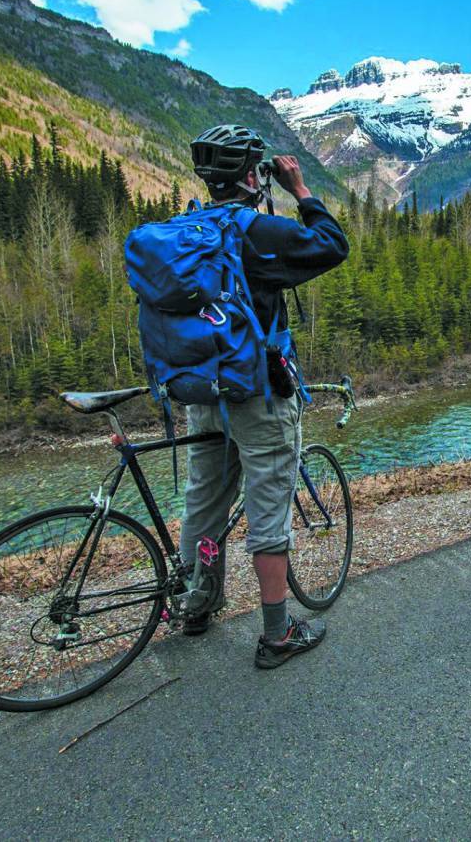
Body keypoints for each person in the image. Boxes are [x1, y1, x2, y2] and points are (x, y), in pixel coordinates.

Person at [179, 124, 349, 668]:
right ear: (255, 175)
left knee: (203, 504)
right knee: (268, 506)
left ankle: (196, 606)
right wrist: (301, 190)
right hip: (258, 392)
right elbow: (332, 244)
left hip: (203, 392)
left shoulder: (186, 229)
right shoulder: (258, 232)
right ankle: (277, 634)